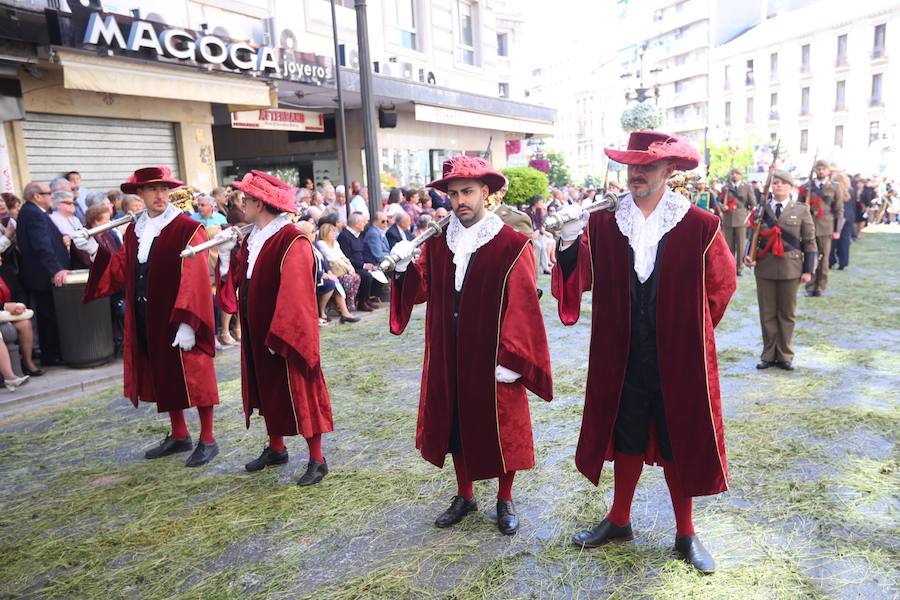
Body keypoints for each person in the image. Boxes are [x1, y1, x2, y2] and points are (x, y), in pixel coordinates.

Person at [552, 131, 737, 573]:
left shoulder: (699, 225)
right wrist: (566, 244)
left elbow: (722, 285)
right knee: (627, 432)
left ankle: (686, 532)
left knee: (680, 440)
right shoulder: (603, 223)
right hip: (622, 354)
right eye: (631, 166)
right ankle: (619, 519)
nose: (636, 174)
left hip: (679, 355)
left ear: (668, 171)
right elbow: (580, 282)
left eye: (647, 166)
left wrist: (690, 331)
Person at [389, 155, 553, 535]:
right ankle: (465, 494)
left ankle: (504, 497)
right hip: (450, 347)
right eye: (454, 193)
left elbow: (524, 302)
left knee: (501, 425)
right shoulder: (437, 243)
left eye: (467, 192)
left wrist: (514, 356)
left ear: (486, 194)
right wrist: (403, 270)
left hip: (493, 351)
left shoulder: (511, 244)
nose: (460, 200)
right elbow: (423, 290)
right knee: (456, 422)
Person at [74, 166, 220, 467]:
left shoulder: (187, 228)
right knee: (161, 373)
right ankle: (179, 434)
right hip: (146, 314)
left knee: (196, 375)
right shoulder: (135, 230)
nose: (160, 195)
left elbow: (195, 277)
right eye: (152, 189)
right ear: (139, 194)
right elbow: (121, 270)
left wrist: (188, 321)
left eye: (164, 189)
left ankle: (208, 438)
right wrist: (93, 248)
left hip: (177, 315)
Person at [217, 170, 335, 484]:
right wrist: (230, 253)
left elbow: (296, 292)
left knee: (300, 393)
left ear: (262, 203)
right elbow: (245, 279)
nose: (243, 204)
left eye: (248, 199)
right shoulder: (255, 237)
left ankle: (317, 458)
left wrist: (282, 333)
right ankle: (276, 447)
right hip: (258, 332)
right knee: (267, 389)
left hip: (284, 334)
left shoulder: (290, 239)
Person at [744, 171, 817, 370]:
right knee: (767, 312)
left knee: (787, 313)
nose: (779, 187)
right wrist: (747, 255)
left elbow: (810, 242)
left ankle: (785, 354)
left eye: (784, 184)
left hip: (791, 268)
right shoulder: (762, 209)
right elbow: (752, 236)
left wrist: (808, 270)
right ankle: (768, 354)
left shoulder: (801, 210)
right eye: (776, 183)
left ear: (791, 187)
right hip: (765, 266)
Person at [17, 182, 71, 367]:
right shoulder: (33, 214)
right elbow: (41, 246)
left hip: (42, 275)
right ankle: (51, 355)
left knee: (49, 315)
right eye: (48, 193)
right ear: (37, 196)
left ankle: (53, 353)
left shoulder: (33, 212)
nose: (51, 196)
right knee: (48, 316)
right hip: (43, 276)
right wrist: (56, 269)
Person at [797, 159, 843, 296]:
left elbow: (839, 210)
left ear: (828, 171)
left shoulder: (835, 187)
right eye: (818, 168)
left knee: (824, 258)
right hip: (808, 226)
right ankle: (810, 286)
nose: (821, 171)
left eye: (823, 168)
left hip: (826, 227)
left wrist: (837, 230)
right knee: (809, 256)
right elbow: (799, 207)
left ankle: (820, 286)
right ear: (814, 170)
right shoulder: (807, 187)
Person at [0, 253, 42, 376]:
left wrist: (19, 305)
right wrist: (5, 308)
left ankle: (28, 363)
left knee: (25, 324)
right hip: (3, 312)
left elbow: (19, 292)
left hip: (10, 313)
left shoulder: (5, 271)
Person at [317, 223, 362, 312]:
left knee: (356, 277)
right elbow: (332, 258)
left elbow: (343, 257)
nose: (334, 234)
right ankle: (342, 303)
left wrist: (350, 267)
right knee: (348, 280)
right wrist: (347, 268)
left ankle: (349, 301)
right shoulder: (321, 243)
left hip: (342, 268)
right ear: (325, 233)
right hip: (333, 270)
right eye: (331, 232)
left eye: (334, 232)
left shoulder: (336, 243)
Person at [719, 168, 756, 277]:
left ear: (741, 175)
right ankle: (730, 267)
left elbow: (753, 204)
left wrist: (749, 218)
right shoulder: (725, 188)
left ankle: (739, 267)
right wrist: (723, 207)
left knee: (740, 245)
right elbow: (720, 201)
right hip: (728, 219)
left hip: (741, 219)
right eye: (732, 174)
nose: (734, 175)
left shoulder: (747, 187)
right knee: (729, 246)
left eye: (736, 173)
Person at [337, 213, 377, 311]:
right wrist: (363, 265)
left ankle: (367, 299)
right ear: (356, 223)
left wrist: (369, 263)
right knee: (367, 276)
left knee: (376, 271)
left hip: (360, 265)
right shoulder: (344, 236)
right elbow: (347, 257)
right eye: (362, 222)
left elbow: (363, 253)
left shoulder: (359, 236)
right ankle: (362, 302)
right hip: (351, 267)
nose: (364, 224)